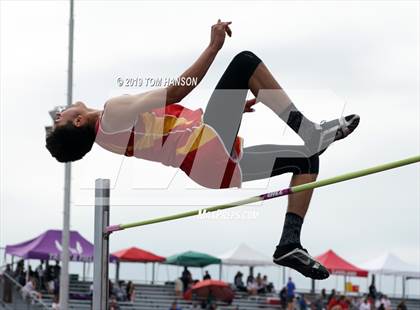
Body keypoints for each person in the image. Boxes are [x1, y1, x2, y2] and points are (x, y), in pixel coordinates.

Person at [46, 20, 359, 279]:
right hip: (206, 151)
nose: (58, 113)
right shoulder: (112, 113)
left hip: (208, 170)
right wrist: (213, 47)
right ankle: (310, 131)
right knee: (245, 63)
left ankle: (289, 243)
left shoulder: (105, 136)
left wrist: (232, 110)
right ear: (78, 122)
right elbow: (177, 91)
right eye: (59, 119)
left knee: (306, 161)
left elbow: (166, 130)